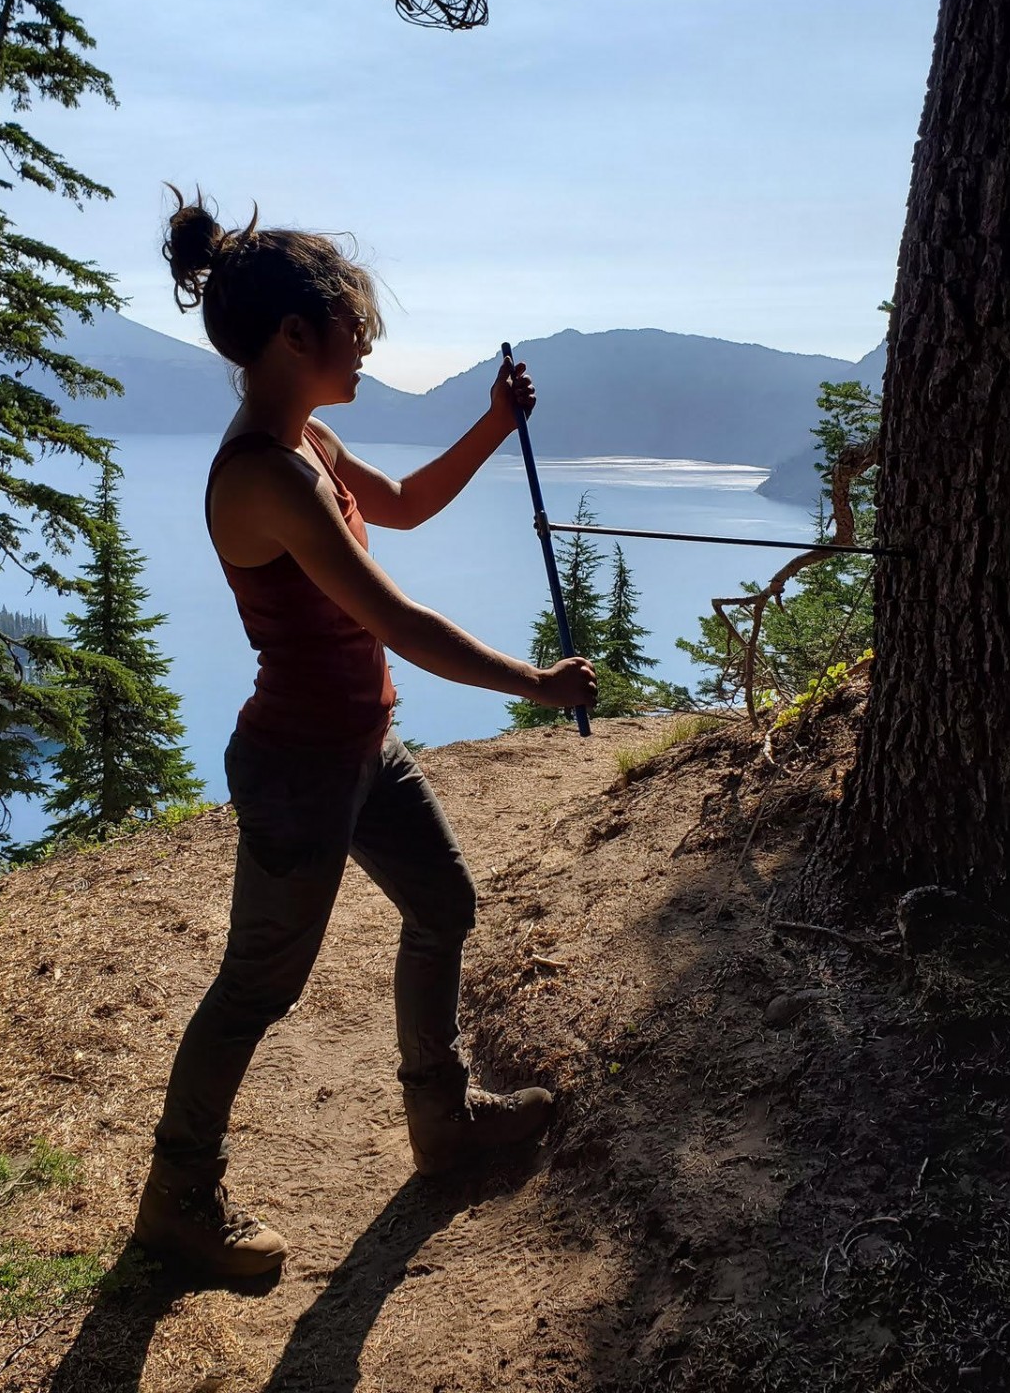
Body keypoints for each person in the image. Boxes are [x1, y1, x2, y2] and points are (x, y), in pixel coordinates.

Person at [132, 191, 598, 1281]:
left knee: (445, 905)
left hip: (356, 747)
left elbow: (404, 503)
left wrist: (492, 422)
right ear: (295, 336)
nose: (369, 338)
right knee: (258, 985)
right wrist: (534, 681)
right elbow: (395, 618)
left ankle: (441, 1123)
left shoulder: (312, 438)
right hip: (299, 765)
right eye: (354, 322)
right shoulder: (265, 472)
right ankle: (177, 1196)